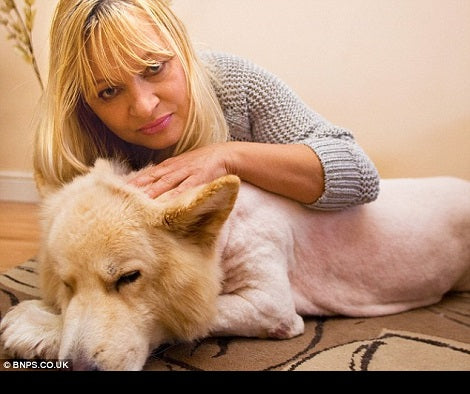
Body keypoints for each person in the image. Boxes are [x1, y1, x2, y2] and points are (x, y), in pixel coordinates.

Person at [34, 0, 380, 210]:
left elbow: (359, 175)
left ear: (182, 47)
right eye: (108, 91)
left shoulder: (235, 84)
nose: (143, 106)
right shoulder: (77, 140)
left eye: (154, 68)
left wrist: (226, 157)